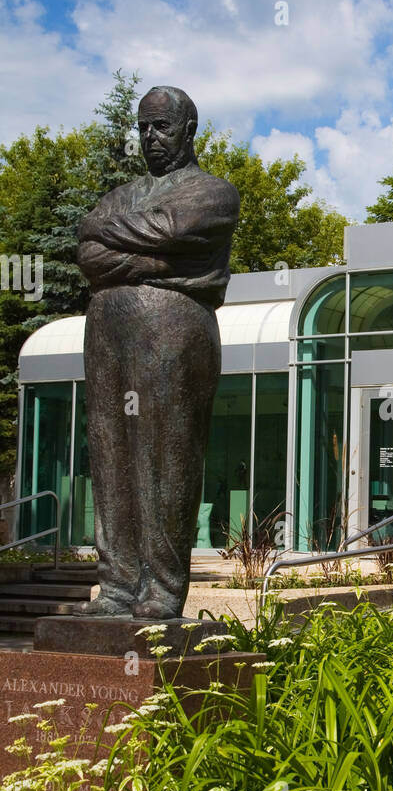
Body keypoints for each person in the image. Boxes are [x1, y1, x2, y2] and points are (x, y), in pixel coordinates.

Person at [76, 86, 239, 618]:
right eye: (143, 127)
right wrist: (155, 262)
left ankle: (163, 590)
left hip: (174, 329)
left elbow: (172, 227)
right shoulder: (121, 195)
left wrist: (116, 244)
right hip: (107, 333)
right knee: (111, 454)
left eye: (162, 127)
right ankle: (119, 585)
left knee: (166, 456)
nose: (150, 137)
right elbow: (88, 252)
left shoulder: (213, 192)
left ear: (189, 130)